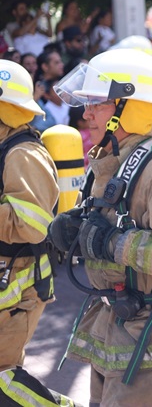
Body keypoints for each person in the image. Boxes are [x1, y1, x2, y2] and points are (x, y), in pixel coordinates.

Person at [47, 49, 152, 406]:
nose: (86, 113)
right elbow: (97, 226)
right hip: (114, 328)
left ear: (128, 107)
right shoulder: (105, 163)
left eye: (99, 103)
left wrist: (112, 244)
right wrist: (71, 230)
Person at [0, 59, 58, 378]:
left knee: (4, 377)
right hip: (7, 282)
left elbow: (33, 225)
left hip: (19, 289)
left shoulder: (24, 154)